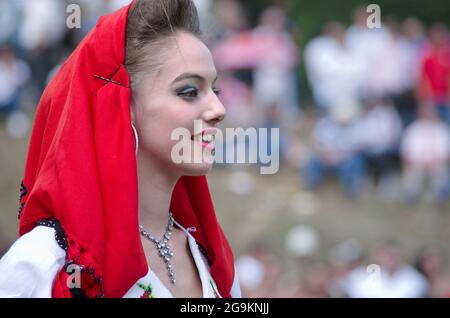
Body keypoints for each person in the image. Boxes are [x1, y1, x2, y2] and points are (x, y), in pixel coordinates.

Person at [0, 0, 241, 298]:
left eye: (214, 90)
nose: (218, 109)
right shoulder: (44, 265)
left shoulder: (211, 258)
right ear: (122, 107)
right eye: (189, 91)